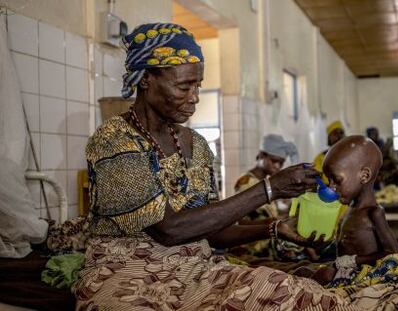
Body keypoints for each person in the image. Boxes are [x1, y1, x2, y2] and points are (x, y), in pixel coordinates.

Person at [72, 23, 355, 310]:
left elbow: (213, 230)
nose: (195, 97)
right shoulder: (115, 141)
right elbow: (169, 229)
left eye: (198, 85)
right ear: (146, 79)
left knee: (289, 292)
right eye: (184, 86)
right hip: (130, 271)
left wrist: (275, 226)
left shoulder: (196, 145)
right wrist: (269, 189)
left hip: (194, 267)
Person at [308, 136, 398, 287]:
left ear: (364, 176)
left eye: (336, 180)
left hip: (363, 276)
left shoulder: (374, 213)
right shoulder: (349, 209)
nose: (331, 187)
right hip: (344, 270)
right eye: (329, 181)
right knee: (306, 272)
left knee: (322, 277)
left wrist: (353, 261)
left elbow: (394, 255)